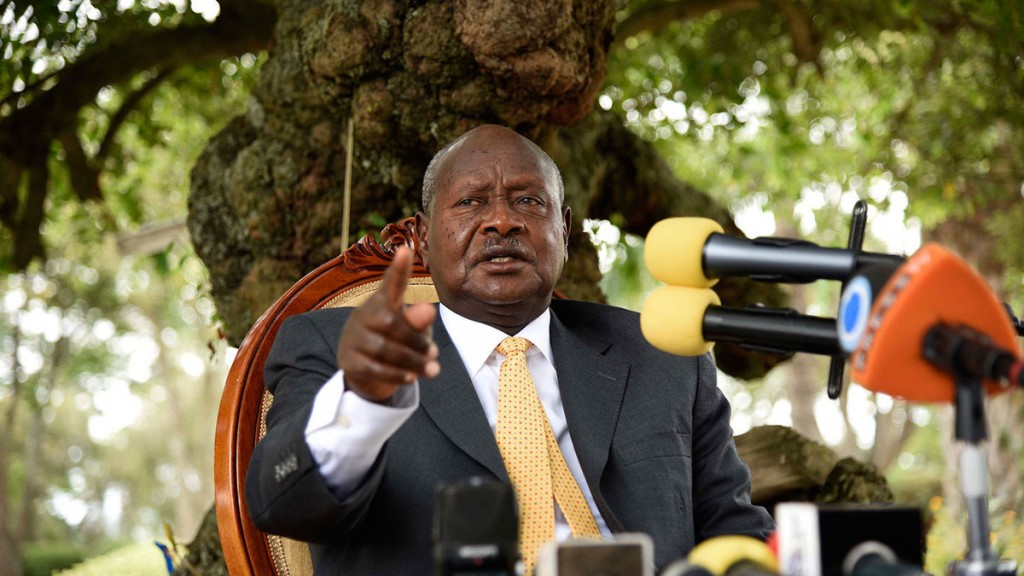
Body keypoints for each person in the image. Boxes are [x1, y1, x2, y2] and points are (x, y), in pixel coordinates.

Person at [245, 125, 773, 574]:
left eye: (528, 200)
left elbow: (735, 529)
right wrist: (358, 403)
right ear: (424, 240)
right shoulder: (338, 350)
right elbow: (284, 505)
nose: (502, 221)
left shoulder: (660, 354)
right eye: (471, 202)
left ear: (563, 230)